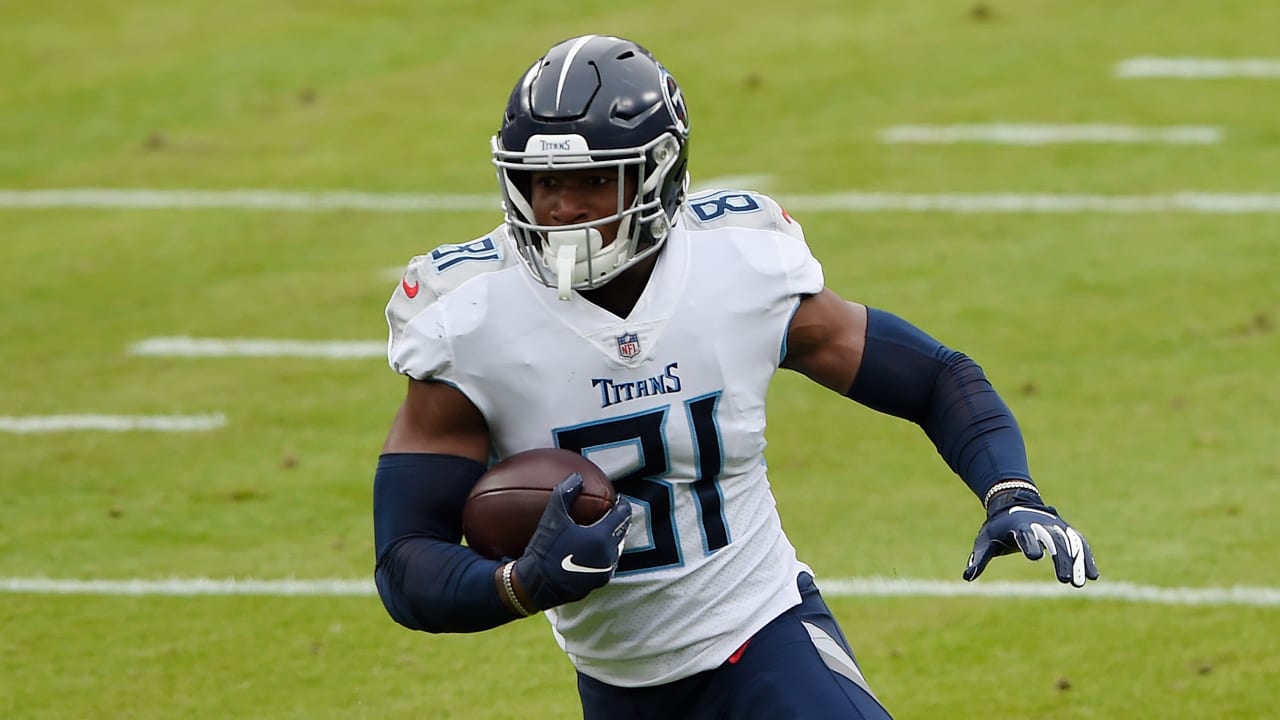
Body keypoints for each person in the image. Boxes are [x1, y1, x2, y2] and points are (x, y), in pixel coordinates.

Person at [373, 34, 1098, 720]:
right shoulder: (470, 315)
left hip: (763, 635)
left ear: (659, 174)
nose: (561, 208)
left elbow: (937, 378)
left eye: (594, 180)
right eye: (543, 183)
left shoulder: (738, 266)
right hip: (619, 685)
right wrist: (519, 584)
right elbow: (405, 560)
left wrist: (1011, 489)